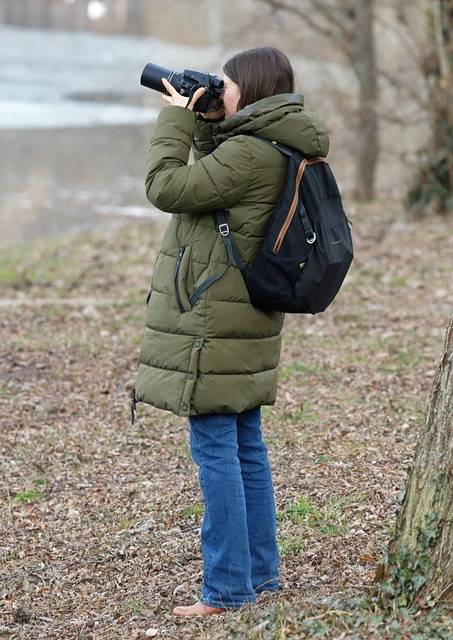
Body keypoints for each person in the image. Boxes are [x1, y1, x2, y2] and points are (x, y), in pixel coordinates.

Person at [132, 46, 329, 617]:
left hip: (215, 318)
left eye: (227, 83)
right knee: (244, 446)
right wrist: (208, 122)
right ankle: (260, 575)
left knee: (217, 447)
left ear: (251, 87)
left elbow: (167, 187)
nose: (220, 90)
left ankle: (225, 589)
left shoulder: (249, 152)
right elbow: (216, 183)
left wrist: (176, 117)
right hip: (244, 314)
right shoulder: (277, 142)